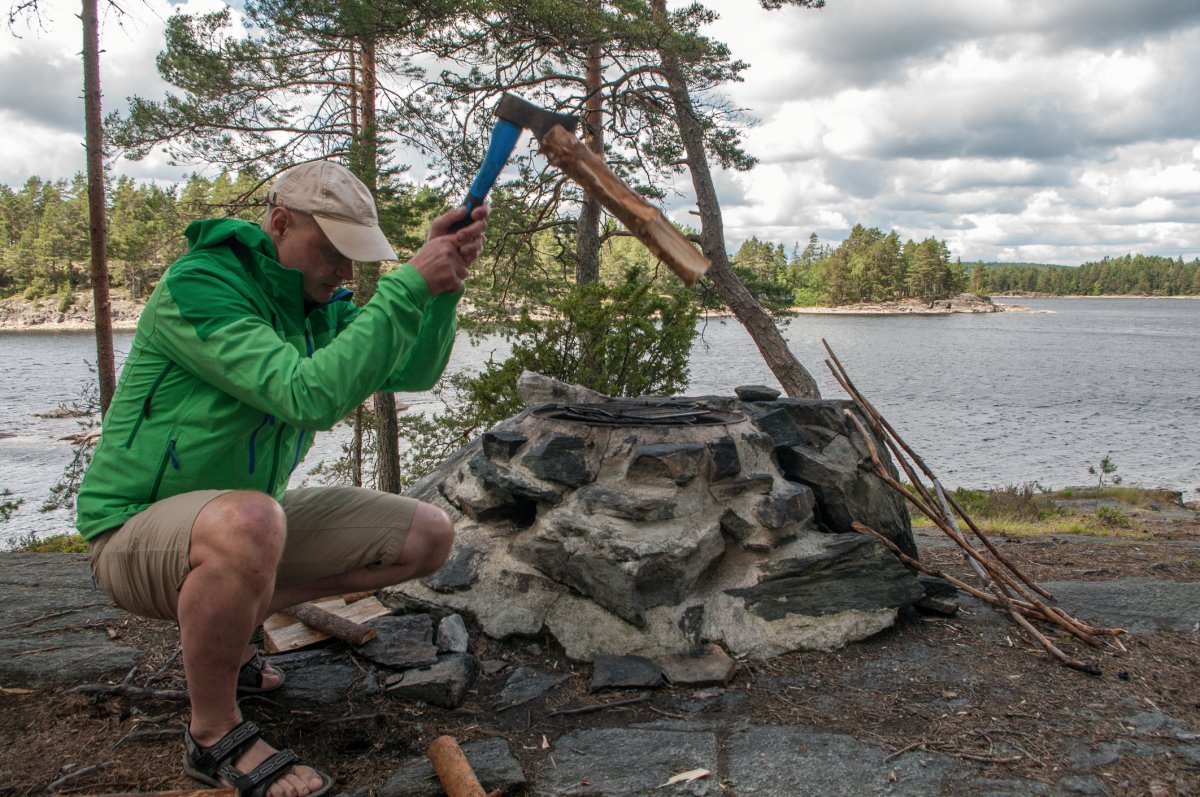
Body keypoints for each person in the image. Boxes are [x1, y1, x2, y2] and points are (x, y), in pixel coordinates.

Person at [75, 160, 488, 797]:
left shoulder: (316, 308)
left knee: (427, 535)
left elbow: (414, 371)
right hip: (134, 533)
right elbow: (304, 395)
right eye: (333, 251)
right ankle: (213, 732)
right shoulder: (202, 285)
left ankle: (233, 627)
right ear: (279, 223)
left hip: (238, 525)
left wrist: (440, 289)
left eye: (355, 256)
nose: (345, 271)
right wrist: (408, 283)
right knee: (251, 519)